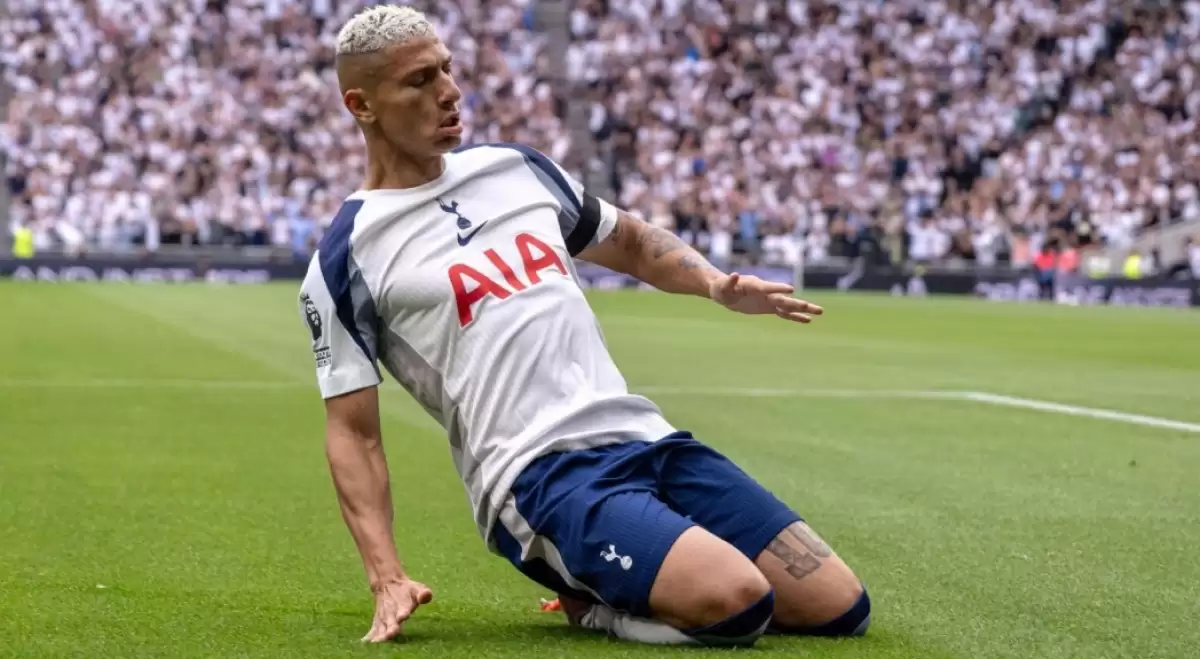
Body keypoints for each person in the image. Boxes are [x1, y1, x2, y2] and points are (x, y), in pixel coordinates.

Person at [297, 4, 870, 647]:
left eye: (447, 70)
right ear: (362, 105)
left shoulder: (516, 169)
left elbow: (630, 241)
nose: (450, 91)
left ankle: (623, 575)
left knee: (839, 608)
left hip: (642, 437)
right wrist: (386, 576)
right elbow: (353, 434)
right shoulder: (348, 255)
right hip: (540, 476)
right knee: (739, 602)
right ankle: (595, 607)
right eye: (420, 81)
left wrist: (713, 283)